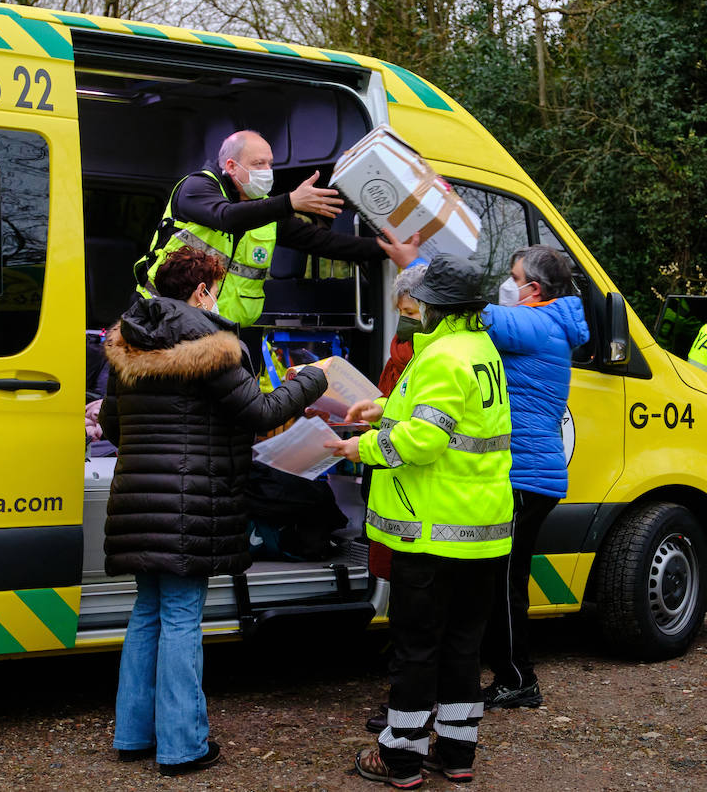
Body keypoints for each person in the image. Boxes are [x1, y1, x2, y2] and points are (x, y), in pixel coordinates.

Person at [101, 247, 329, 776]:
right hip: (191, 507)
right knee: (181, 618)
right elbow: (260, 411)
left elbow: (114, 427)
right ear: (202, 292)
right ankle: (182, 746)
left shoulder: (125, 345)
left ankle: (133, 735)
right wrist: (312, 379)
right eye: (216, 287)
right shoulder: (212, 345)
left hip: (137, 502)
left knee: (147, 615)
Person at [326, 254, 513, 789]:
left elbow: (425, 441)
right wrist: (383, 407)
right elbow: (449, 420)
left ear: (434, 308)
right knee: (461, 647)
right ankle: (456, 753)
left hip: (431, 531)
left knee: (416, 648)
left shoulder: (438, 357)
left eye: (418, 304)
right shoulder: (478, 349)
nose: (412, 311)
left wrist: (361, 448)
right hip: (481, 532)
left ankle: (400, 758)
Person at [135, 129, 420, 328]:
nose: (267, 170)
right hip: (164, 318)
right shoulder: (198, 187)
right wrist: (290, 201)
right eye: (258, 163)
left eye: (270, 163)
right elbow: (226, 217)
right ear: (232, 166)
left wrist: (383, 249)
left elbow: (318, 241)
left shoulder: (264, 208)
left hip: (226, 330)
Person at [479, 245, 588, 709]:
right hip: (530, 474)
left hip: (525, 476)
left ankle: (517, 679)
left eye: (512, 276)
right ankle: (512, 674)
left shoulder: (540, 324)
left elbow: (477, 313)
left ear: (534, 288)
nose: (508, 283)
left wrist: (415, 262)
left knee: (504, 583)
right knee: (505, 580)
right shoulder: (548, 323)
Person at [377, 263, 428, 395]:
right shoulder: (399, 350)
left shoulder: (436, 354)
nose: (403, 319)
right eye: (400, 311)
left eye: (410, 313)